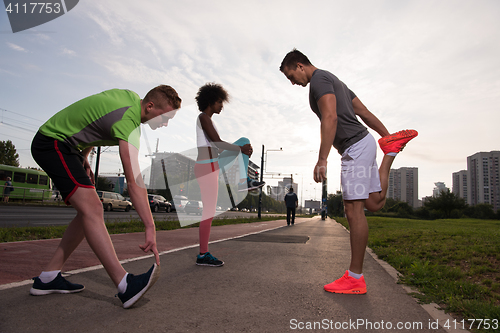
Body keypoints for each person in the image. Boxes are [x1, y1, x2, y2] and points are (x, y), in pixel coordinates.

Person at [30, 85, 181, 308]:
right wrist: (150, 225)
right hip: (53, 143)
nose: (166, 123)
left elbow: (95, 119)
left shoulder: (128, 98)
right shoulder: (129, 125)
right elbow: (133, 182)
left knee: (86, 213)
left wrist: (84, 156)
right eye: (165, 116)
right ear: (150, 106)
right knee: (93, 209)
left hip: (68, 146)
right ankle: (124, 285)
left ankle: (48, 277)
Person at [280, 49, 417, 294]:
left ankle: (355, 278)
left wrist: (322, 159)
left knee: (353, 211)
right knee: (373, 203)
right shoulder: (336, 81)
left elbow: (330, 118)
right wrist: (388, 139)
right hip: (363, 143)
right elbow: (363, 112)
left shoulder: (319, 81)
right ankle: (391, 154)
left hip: (354, 146)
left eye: (291, 76)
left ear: (300, 66)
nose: (292, 82)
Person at [194, 83, 265, 267]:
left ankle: (244, 180)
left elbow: (216, 147)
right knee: (208, 212)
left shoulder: (211, 121)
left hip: (213, 163)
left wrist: (241, 150)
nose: (222, 106)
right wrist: (239, 150)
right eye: (219, 102)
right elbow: (217, 143)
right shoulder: (203, 118)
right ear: (210, 101)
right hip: (205, 166)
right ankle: (203, 254)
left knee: (244, 141)